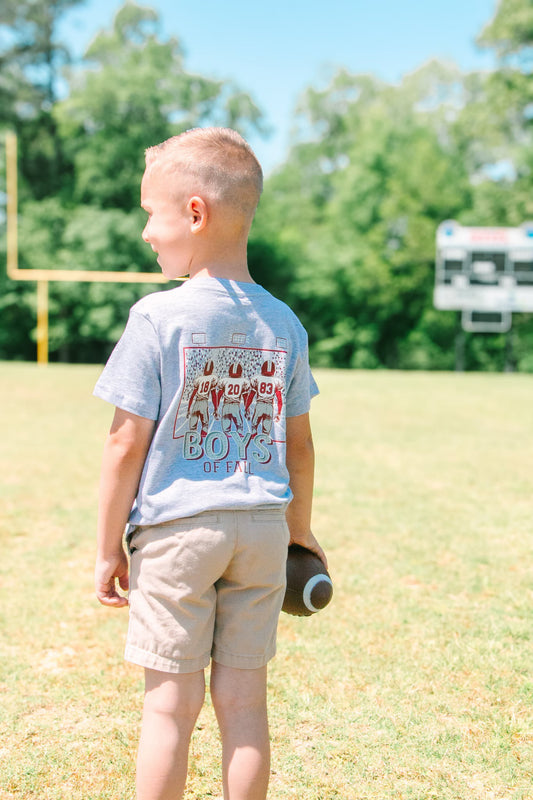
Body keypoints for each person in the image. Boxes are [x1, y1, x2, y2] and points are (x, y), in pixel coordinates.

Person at [93, 127, 327, 800]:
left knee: (169, 707)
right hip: (259, 532)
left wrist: (108, 546)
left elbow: (122, 444)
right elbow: (300, 446)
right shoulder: (283, 324)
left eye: (149, 212)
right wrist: (299, 531)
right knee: (245, 707)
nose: (144, 232)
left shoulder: (155, 317)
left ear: (194, 212)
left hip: (177, 534)